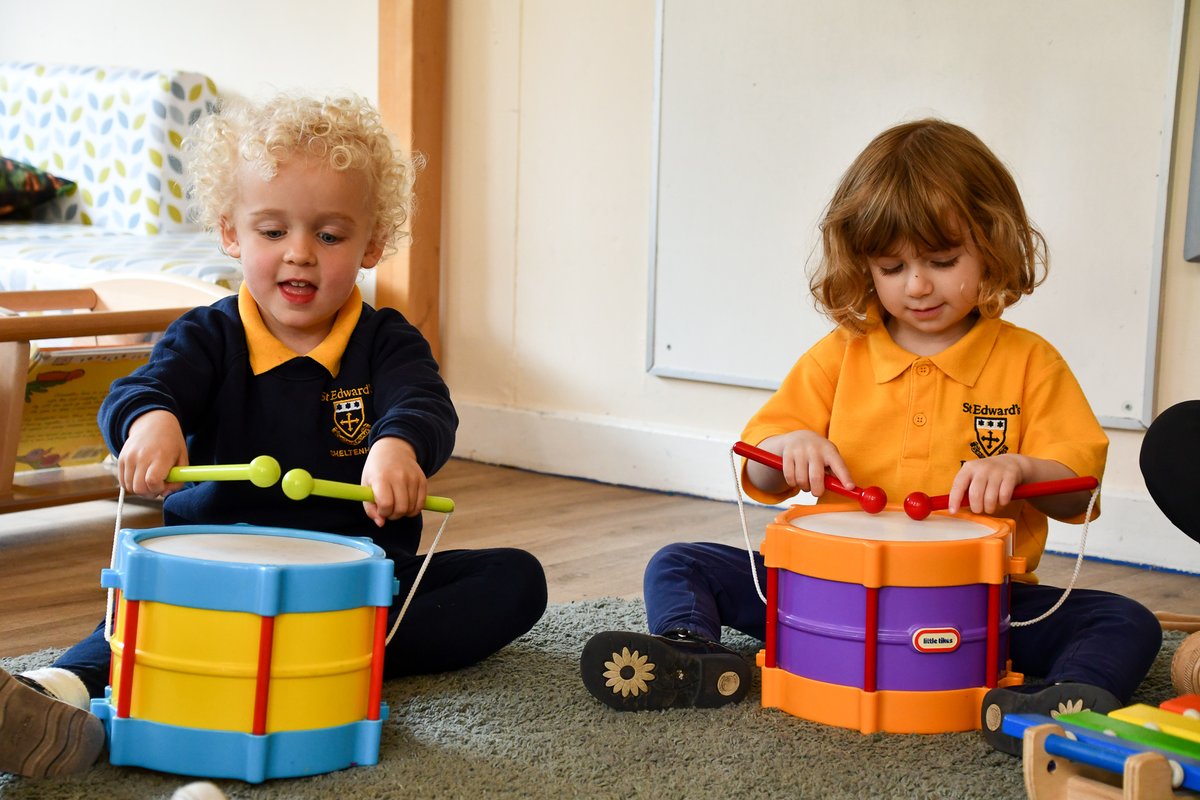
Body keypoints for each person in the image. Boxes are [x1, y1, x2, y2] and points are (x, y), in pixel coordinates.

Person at [0, 93, 547, 779]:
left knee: (517, 580)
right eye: (271, 231)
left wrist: (397, 447)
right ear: (231, 233)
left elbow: (424, 404)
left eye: (329, 234)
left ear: (372, 242)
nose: (299, 256)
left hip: (352, 583)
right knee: (138, 618)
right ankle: (52, 693)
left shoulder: (386, 342)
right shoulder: (207, 335)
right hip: (210, 574)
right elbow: (142, 390)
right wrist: (152, 424)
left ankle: (314, 661)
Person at [580, 119, 1161, 756]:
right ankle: (689, 656)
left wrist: (1025, 471)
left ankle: (1061, 700)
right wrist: (790, 446)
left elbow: (1078, 492)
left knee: (1124, 620)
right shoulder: (839, 355)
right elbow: (761, 466)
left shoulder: (1030, 362)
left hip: (976, 607)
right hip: (824, 592)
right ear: (864, 265)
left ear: (992, 247)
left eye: (942, 261)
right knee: (681, 561)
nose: (917, 285)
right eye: (893, 266)